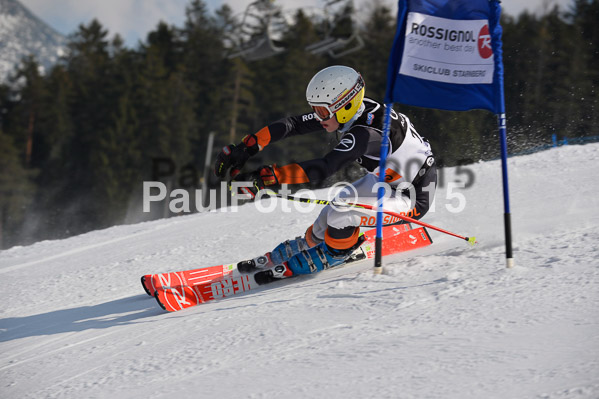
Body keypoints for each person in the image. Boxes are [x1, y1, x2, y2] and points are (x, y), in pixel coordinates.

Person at [214, 65, 436, 280]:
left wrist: (268, 178)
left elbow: (326, 167)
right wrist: (249, 146)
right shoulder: (349, 112)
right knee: (326, 218)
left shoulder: (366, 134)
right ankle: (315, 243)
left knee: (343, 215)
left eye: (321, 111)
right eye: (315, 109)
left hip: (411, 197)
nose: (317, 117)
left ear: (345, 106)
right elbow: (293, 124)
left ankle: (336, 253)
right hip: (384, 182)